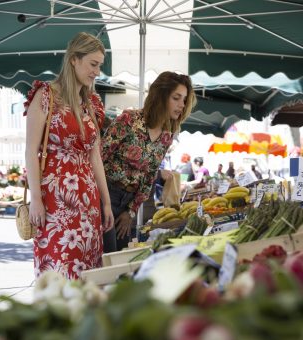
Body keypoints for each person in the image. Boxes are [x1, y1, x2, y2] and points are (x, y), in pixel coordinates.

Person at [24, 32, 114, 279]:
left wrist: (105, 202)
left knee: (88, 273)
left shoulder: (92, 103)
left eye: (99, 66)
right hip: (56, 202)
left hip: (88, 202)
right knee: (60, 270)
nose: (97, 72)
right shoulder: (46, 96)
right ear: (74, 59)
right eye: (93, 64)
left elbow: (95, 156)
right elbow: (31, 151)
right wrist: (36, 200)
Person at [102, 71, 196, 252]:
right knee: (105, 256)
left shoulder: (166, 136)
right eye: (176, 98)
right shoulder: (128, 120)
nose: (182, 105)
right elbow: (99, 158)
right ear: (161, 96)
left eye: (184, 100)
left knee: (120, 255)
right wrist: (103, 201)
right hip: (104, 195)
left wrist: (130, 211)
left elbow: (149, 175)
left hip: (128, 204)